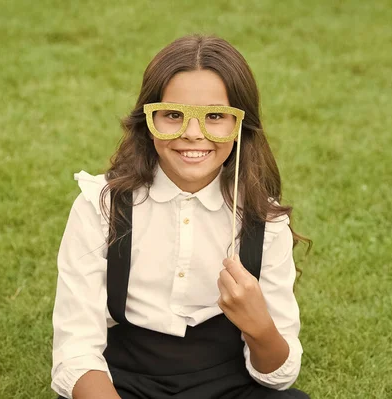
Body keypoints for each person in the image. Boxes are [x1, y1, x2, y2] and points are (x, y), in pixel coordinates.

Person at [51, 34, 310, 399]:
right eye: (173, 115)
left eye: (215, 117)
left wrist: (260, 327)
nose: (192, 134)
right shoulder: (101, 207)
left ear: (239, 126)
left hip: (228, 382)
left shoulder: (263, 222)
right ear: (148, 119)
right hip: (122, 381)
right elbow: (75, 350)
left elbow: (278, 377)